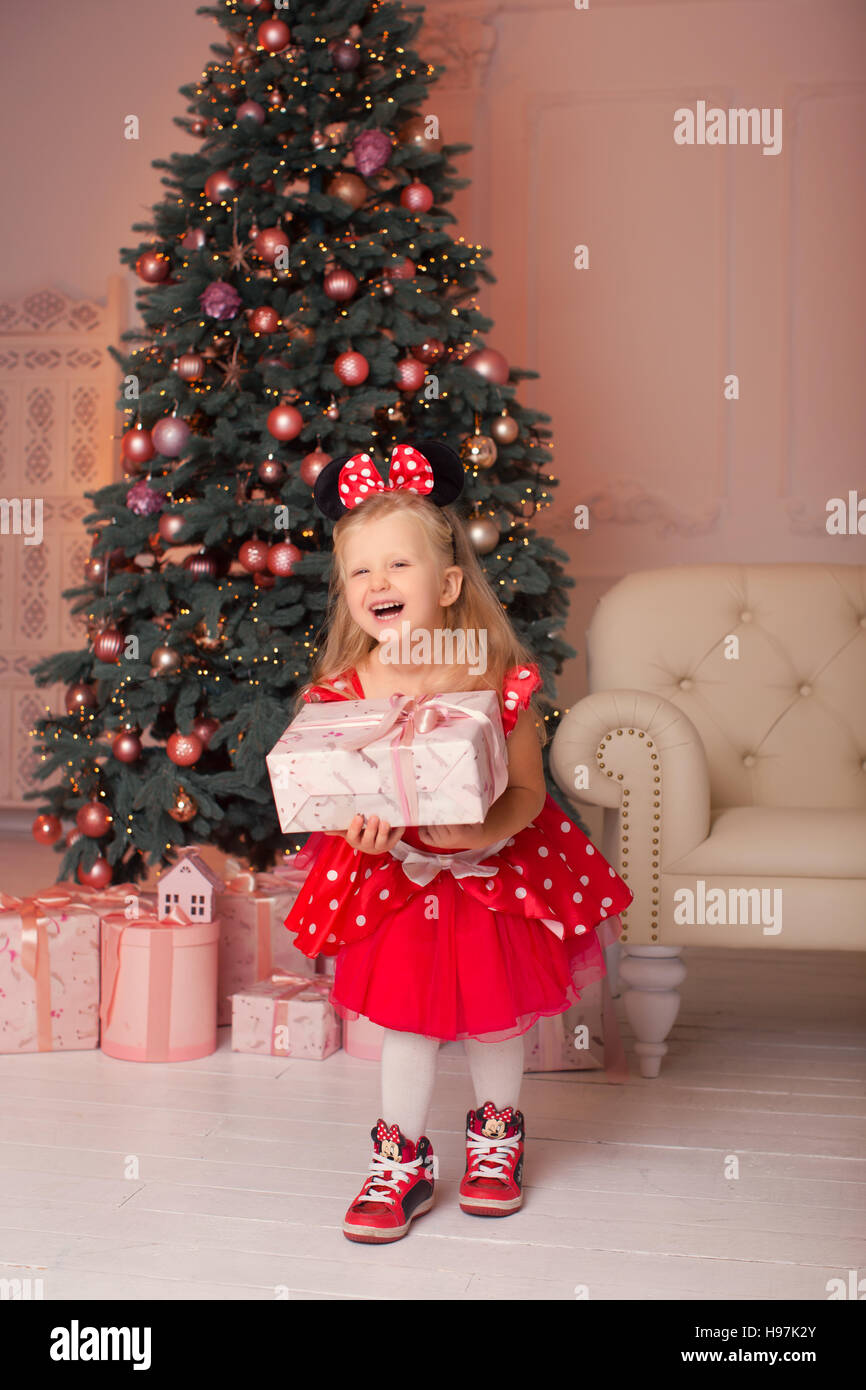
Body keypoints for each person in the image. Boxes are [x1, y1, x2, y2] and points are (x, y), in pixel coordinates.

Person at [282, 439, 633, 1244]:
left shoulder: (496, 678)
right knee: (405, 1022)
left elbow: (530, 795)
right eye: (360, 572)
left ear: (444, 584)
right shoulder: (340, 693)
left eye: (397, 567)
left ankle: (496, 1136)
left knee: (494, 1018)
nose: (377, 585)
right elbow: (332, 791)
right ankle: (399, 1161)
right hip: (395, 879)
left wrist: (482, 826)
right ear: (346, 594)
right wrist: (361, 835)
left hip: (489, 878)